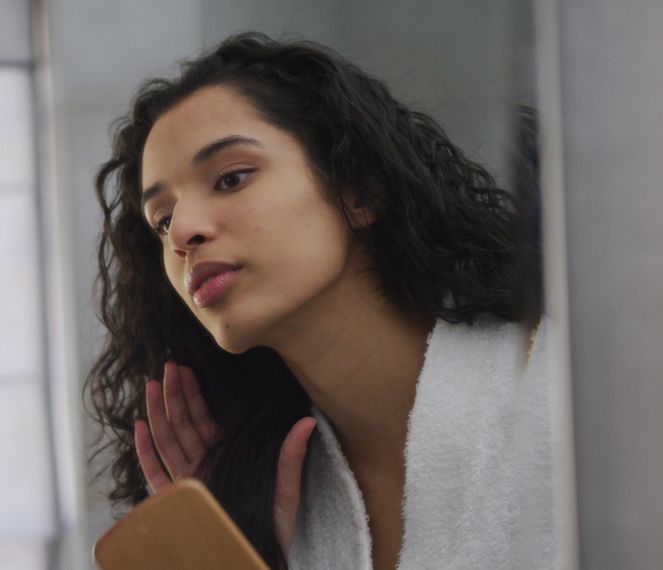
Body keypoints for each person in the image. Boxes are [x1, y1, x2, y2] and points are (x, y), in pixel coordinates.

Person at [86, 33, 550, 569]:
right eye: (161, 219)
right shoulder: (274, 496)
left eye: (231, 178)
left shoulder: (566, 398)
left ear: (359, 191)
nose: (182, 232)